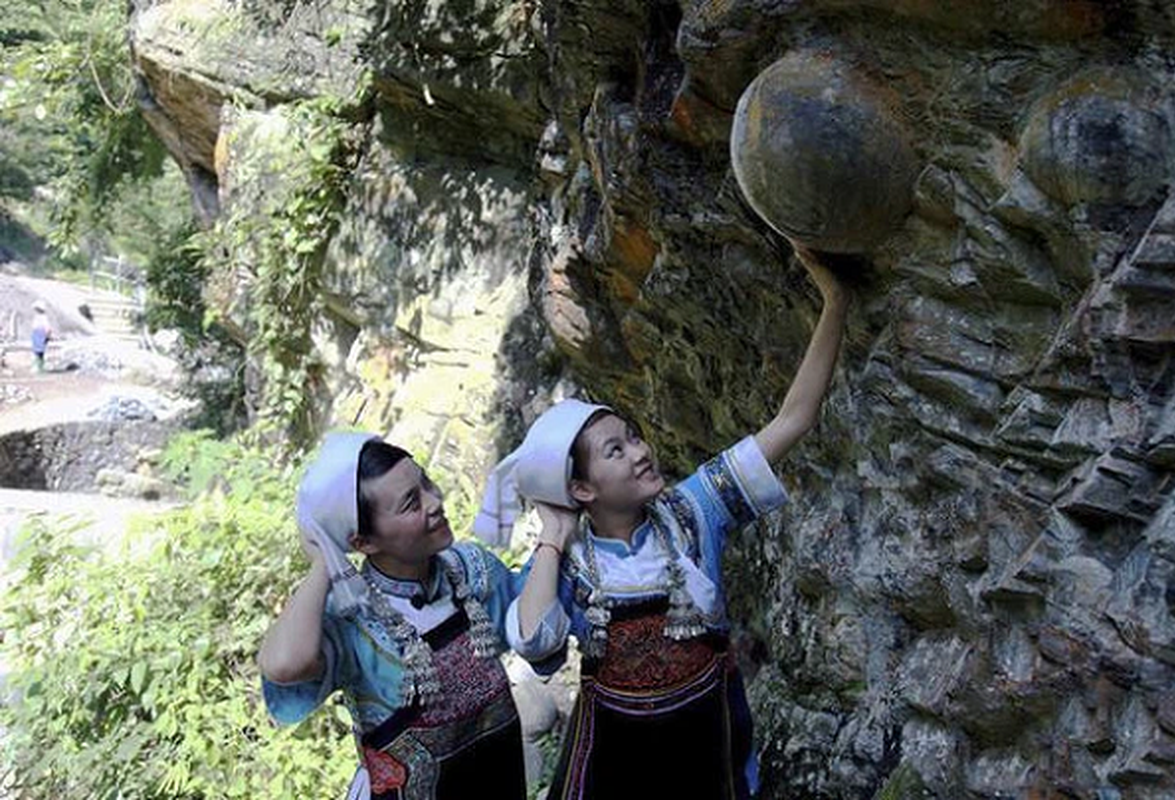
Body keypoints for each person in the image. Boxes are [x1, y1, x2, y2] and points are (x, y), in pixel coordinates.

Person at [479, 245, 849, 799]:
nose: (638, 452)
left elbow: (793, 419)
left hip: (706, 741)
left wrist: (836, 300)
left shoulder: (694, 510)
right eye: (614, 451)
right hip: (616, 762)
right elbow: (534, 643)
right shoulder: (573, 564)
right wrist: (554, 539)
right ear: (581, 489)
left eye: (632, 436)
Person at [258, 432, 528, 800]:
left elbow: (534, 623)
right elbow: (285, 665)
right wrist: (325, 558)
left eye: (427, 484)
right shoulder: (356, 618)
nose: (435, 502)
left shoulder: (472, 569)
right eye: (410, 503)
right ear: (364, 543)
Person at [30, 299, 51, 373]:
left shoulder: (43, 317)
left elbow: (47, 327)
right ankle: (38, 366)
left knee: (40, 351)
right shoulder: (37, 317)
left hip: (40, 333)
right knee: (37, 351)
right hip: (37, 333)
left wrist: (47, 335)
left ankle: (40, 367)